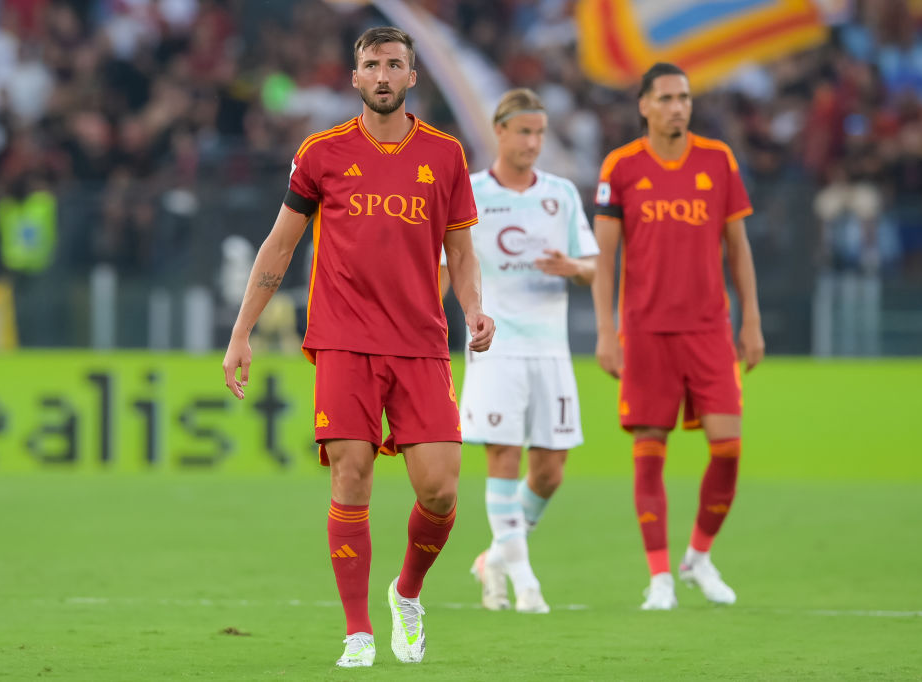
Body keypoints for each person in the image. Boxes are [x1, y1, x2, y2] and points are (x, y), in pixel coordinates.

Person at [221, 27, 495, 667]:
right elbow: (279, 247)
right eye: (370, 64)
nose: (381, 75)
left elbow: (459, 250)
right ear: (354, 77)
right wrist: (242, 333)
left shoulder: (446, 155)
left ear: (411, 77)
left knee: (441, 492)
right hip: (343, 340)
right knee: (352, 473)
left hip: (421, 342)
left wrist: (475, 309)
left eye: (393, 64)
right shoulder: (322, 153)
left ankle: (407, 593)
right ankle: (358, 631)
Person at [591, 62, 764, 611]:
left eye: (684, 97)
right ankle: (660, 576)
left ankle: (699, 556)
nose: (678, 106)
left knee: (730, 448)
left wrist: (751, 320)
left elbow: (738, 246)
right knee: (649, 456)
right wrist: (606, 332)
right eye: (666, 98)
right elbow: (604, 260)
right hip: (645, 331)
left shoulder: (718, 160)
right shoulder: (620, 166)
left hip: (710, 328)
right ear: (644, 105)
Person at [441, 88, 597, 614]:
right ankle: (525, 582)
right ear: (500, 132)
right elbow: (448, 264)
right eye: (524, 132)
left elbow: (594, 264)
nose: (533, 142)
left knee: (550, 470)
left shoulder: (561, 194)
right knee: (503, 456)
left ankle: (496, 557)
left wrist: (573, 269)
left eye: (540, 134)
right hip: (496, 346)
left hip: (552, 351)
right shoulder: (471, 193)